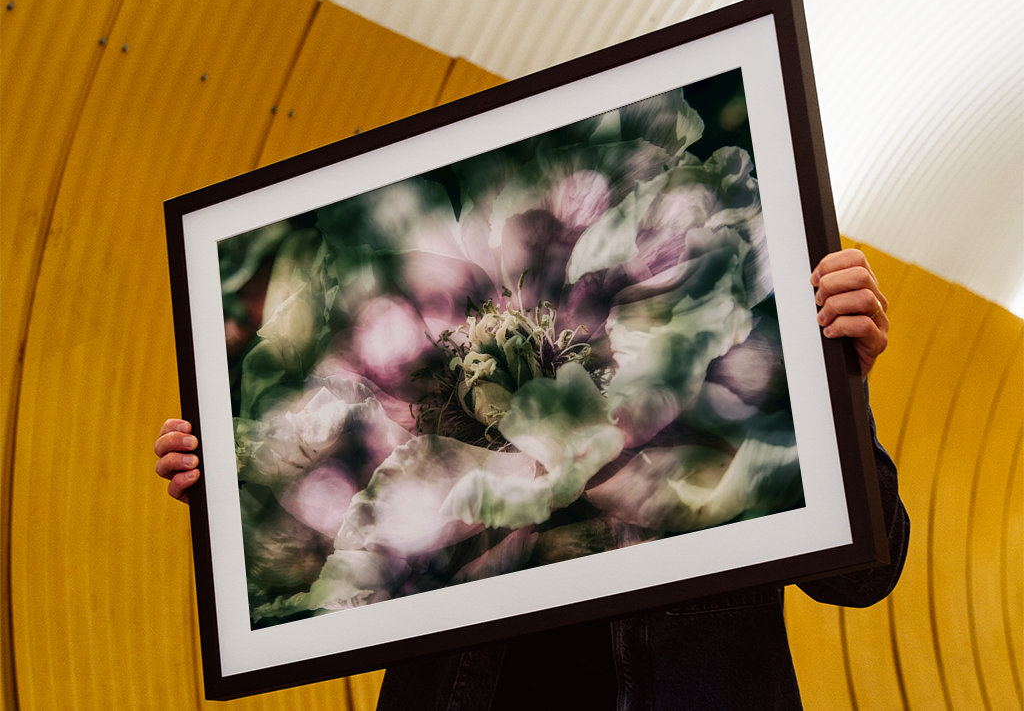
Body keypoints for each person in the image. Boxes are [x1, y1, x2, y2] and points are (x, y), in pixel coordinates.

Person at [155, 249, 908, 710]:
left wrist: (836, 383)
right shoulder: (422, 481)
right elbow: (319, 559)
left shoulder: (717, 397)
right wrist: (233, 486)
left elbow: (866, 574)